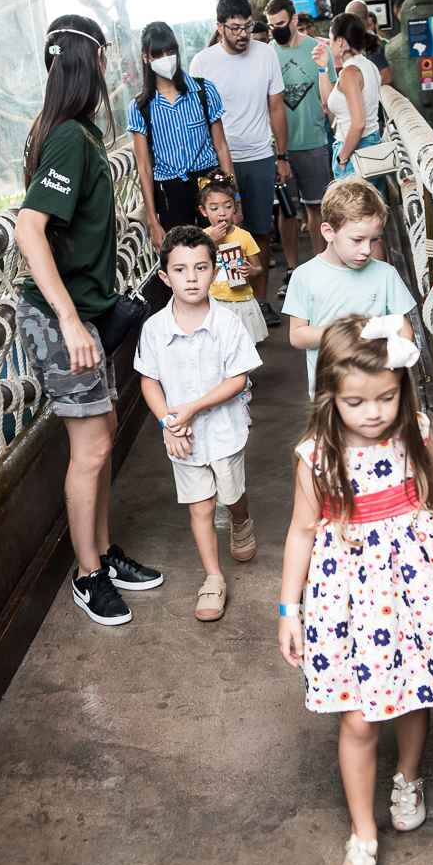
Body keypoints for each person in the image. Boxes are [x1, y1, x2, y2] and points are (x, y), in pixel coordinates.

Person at [279, 313, 433, 865]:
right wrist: (289, 608)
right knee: (359, 718)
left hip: (421, 588)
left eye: (386, 397)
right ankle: (363, 834)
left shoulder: (413, 429)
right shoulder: (317, 455)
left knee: (416, 693)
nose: (373, 412)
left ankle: (407, 778)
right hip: (353, 600)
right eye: (356, 401)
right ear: (330, 397)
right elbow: (302, 532)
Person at [14, 13, 163, 628]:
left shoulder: (77, 131)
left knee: (102, 435)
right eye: (107, 54)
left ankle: (101, 552)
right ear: (92, 60)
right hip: (62, 319)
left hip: (89, 311)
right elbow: (29, 229)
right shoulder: (69, 139)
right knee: (93, 445)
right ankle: (86, 575)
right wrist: (70, 321)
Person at [134, 226, 262, 622]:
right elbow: (149, 380)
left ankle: (240, 519)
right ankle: (213, 577)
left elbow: (238, 378)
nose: (191, 278)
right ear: (164, 276)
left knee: (231, 494)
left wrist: (190, 408)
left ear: (215, 271)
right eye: (180, 269)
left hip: (224, 431)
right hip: (183, 437)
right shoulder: (154, 329)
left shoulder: (227, 323)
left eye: (201, 268)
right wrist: (168, 422)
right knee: (201, 506)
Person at [190, 0, 291, 330]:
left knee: (259, 231)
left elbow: (276, 107)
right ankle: (225, 306)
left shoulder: (266, 54)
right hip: (218, 164)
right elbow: (198, 118)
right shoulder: (202, 63)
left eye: (247, 26)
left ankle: (258, 303)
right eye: (235, 28)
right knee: (223, 233)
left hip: (260, 155)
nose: (243, 34)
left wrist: (281, 156)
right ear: (220, 27)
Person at [283, 178, 415, 399]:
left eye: (374, 240)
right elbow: (297, 336)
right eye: (357, 240)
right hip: (330, 391)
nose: (367, 250)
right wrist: (348, 331)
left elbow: (404, 329)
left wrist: (392, 358)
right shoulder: (304, 276)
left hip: (378, 386)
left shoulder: (386, 274)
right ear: (329, 232)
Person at [127, 21, 234, 249]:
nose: (166, 59)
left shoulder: (204, 91)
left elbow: (221, 147)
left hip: (209, 182)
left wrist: (235, 199)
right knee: (181, 256)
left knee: (222, 252)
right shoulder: (139, 107)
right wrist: (153, 221)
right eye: (158, 54)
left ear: (177, 51)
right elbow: (144, 167)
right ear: (146, 58)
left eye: (170, 51)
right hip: (169, 192)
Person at [265, 0, 334, 301]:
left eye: (280, 23)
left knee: (316, 207)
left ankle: (320, 270)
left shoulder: (318, 50)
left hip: (314, 141)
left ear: (294, 19)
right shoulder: (266, 54)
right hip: (278, 147)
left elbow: (330, 95)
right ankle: (293, 270)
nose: (276, 30)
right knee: (287, 209)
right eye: (271, 25)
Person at [312, 14, 384, 187]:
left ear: (340, 41)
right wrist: (322, 68)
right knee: (372, 202)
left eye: (331, 39)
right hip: (372, 147)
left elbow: (358, 123)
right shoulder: (368, 65)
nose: (329, 44)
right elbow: (327, 100)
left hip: (353, 151)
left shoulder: (349, 73)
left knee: (353, 205)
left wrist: (342, 157)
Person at [199, 169, 268, 346]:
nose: (222, 213)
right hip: (214, 303)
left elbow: (259, 269)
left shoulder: (244, 236)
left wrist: (251, 270)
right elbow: (194, 261)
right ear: (204, 211)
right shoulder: (201, 237)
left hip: (242, 302)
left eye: (228, 206)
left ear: (235, 207)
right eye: (214, 208)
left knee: (244, 346)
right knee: (219, 345)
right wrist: (210, 240)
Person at [344, 0, 392, 87]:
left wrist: (360, 88)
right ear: (367, 15)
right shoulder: (361, 41)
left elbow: (385, 77)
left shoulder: (369, 42)